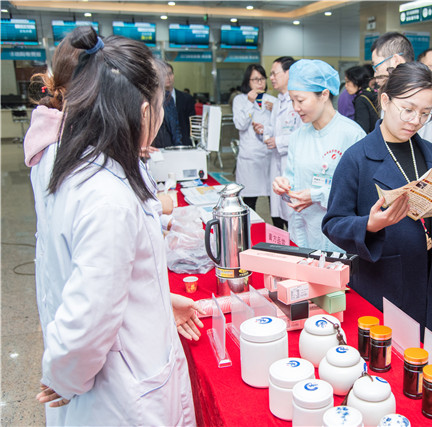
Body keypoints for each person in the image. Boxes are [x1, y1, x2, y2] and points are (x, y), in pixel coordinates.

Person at [31, 27, 195, 424]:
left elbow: (106, 274)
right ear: (144, 112)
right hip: (122, 392)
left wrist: (159, 301)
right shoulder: (108, 195)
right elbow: (88, 317)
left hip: (124, 361)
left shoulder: (79, 165)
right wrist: (64, 374)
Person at [322, 62, 432, 337]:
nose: (415, 121)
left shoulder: (431, 154)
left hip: (431, 285)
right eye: (408, 110)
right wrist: (369, 225)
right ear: (386, 101)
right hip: (384, 287)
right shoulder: (358, 158)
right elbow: (333, 223)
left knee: (428, 355)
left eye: (425, 114)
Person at [272, 59, 365, 251]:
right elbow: (292, 180)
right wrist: (284, 186)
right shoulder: (297, 137)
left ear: (324, 94)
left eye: (300, 100)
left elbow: (359, 193)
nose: (295, 108)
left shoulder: (352, 135)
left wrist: (316, 195)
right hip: (303, 234)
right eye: (292, 101)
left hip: (339, 239)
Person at [263, 56, 301, 230]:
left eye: (274, 73)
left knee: (291, 212)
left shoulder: (298, 101)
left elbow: (302, 134)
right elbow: (272, 127)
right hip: (276, 160)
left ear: (288, 73)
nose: (271, 78)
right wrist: (266, 134)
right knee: (277, 210)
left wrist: (278, 141)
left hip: (290, 161)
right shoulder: (277, 102)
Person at [232, 64, 275, 211]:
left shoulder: (272, 101)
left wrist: (275, 110)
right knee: (250, 201)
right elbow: (240, 125)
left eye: (262, 78)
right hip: (250, 158)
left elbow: (279, 127)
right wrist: (250, 102)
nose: (260, 83)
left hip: (269, 156)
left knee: (273, 200)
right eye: (255, 79)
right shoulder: (240, 100)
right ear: (248, 81)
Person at [152, 62, 196, 148]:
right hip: (162, 147)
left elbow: (191, 125)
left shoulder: (186, 98)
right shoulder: (154, 100)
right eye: (163, 75)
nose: (167, 77)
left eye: (170, 74)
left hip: (184, 145)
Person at [345, 65, 378, 133]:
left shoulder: (360, 100)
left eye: (348, 82)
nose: (346, 86)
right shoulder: (370, 93)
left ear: (357, 81)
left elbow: (362, 129)